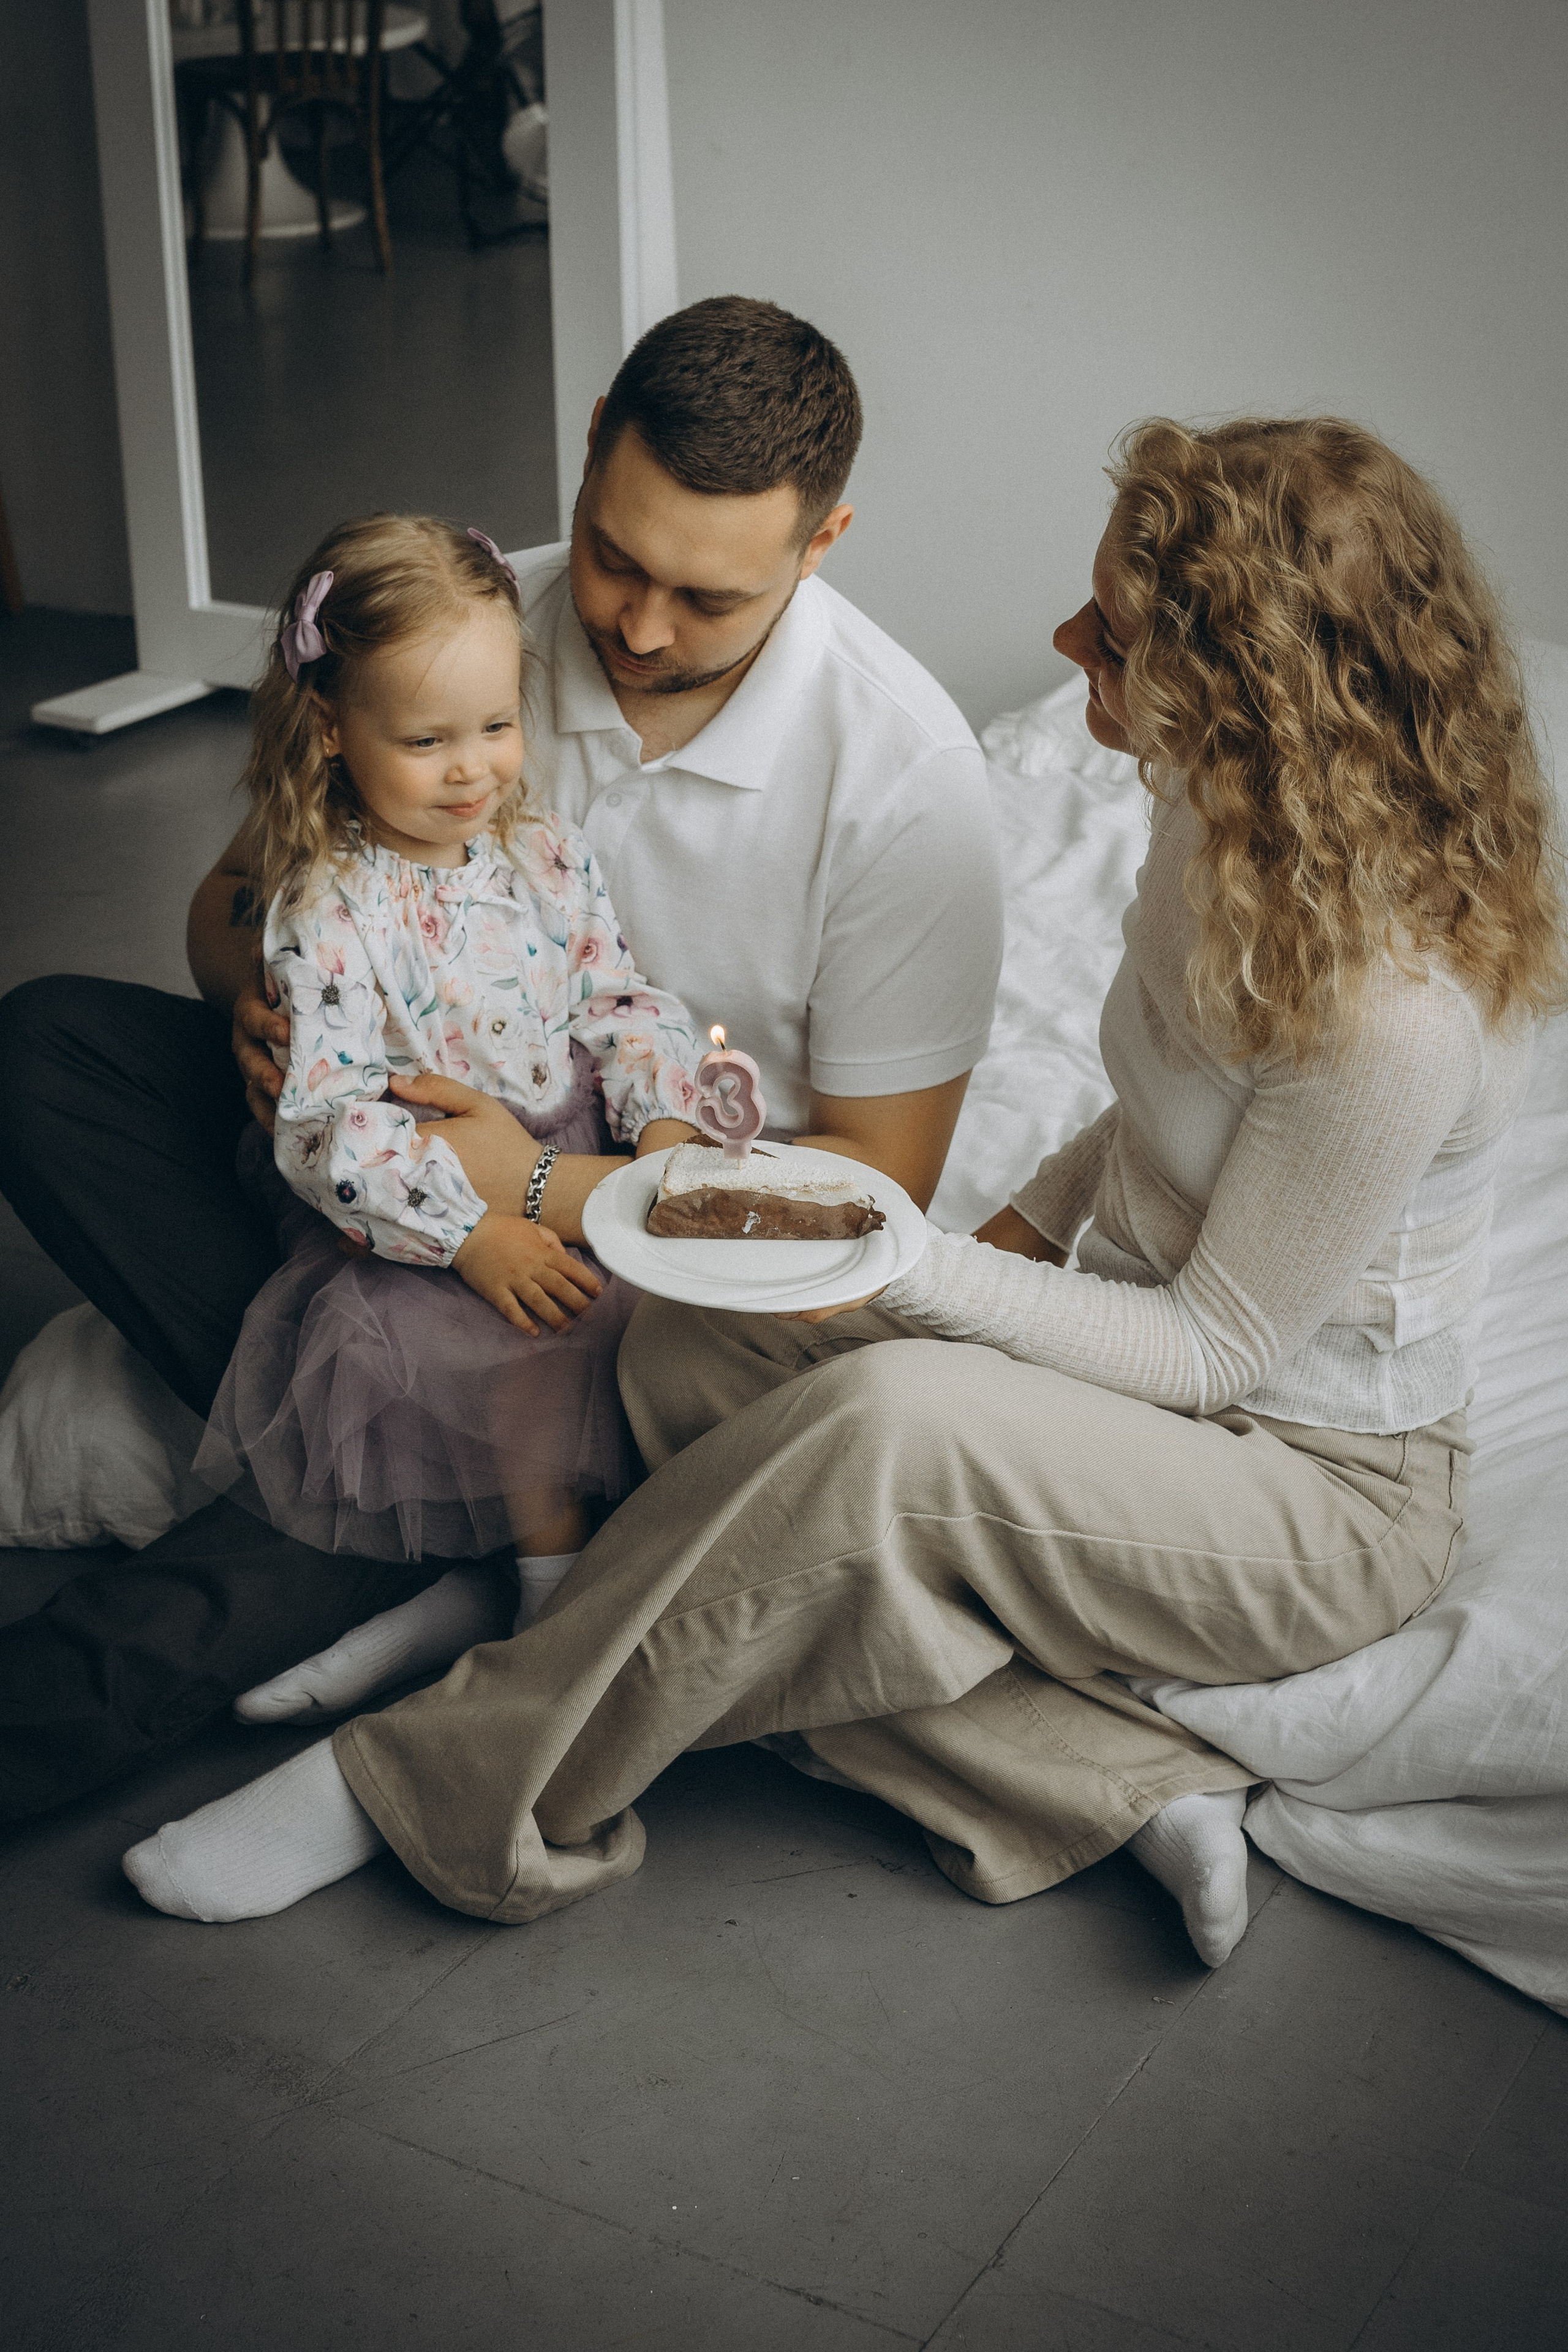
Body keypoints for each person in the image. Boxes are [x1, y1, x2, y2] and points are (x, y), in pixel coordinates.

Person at [124, 417, 1563, 1965]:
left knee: (883, 1427)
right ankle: (1101, 1777)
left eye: (1117, 635)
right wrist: (990, 1251)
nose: (1064, 638)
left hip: (1307, 1486)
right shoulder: (1212, 822)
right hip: (1143, 1353)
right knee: (683, 1343)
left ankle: (425, 1784)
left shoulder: (1392, 1014)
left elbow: (1217, 1356)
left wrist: (910, 1273)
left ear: (1246, 694)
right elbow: (1145, 1123)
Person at [0, 298, 1000, 1818]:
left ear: (822, 540)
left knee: (348, 1440)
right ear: (591, 441)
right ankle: (442, 1479)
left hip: (643, 1264)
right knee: (46, 1047)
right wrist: (262, 1012)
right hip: (375, 1182)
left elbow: (872, 1200)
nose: (639, 626)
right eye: (615, 555)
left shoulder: (908, 786)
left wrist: (537, 1181)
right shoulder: (462, 618)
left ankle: (369, 1500)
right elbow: (234, 901)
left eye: (708, 597)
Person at [194, 512, 707, 1728]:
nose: (474, 769)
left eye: (495, 726)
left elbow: (618, 1000)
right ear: (332, 729)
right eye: (426, 741)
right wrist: (471, 1235)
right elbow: (328, 1123)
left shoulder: (547, 857)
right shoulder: (328, 908)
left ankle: (506, 1595)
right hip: (409, 1205)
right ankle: (545, 1600)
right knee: (524, 1360)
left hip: (561, 1154)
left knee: (665, 1352)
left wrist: (660, 1129)